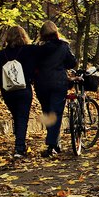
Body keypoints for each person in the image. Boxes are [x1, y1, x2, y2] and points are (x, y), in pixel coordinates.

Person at [0, 26, 37, 158]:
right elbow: (36, 66)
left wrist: (0, 82)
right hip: (24, 89)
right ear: (23, 36)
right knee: (22, 117)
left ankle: (19, 142)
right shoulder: (29, 51)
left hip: (8, 91)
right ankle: (19, 147)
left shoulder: (1, 54)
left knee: (16, 115)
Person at [34, 20, 77, 157]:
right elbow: (72, 63)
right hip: (58, 83)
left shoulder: (37, 49)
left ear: (42, 34)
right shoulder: (63, 46)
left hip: (41, 84)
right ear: (55, 31)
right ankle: (52, 143)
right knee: (56, 113)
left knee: (48, 114)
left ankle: (54, 141)